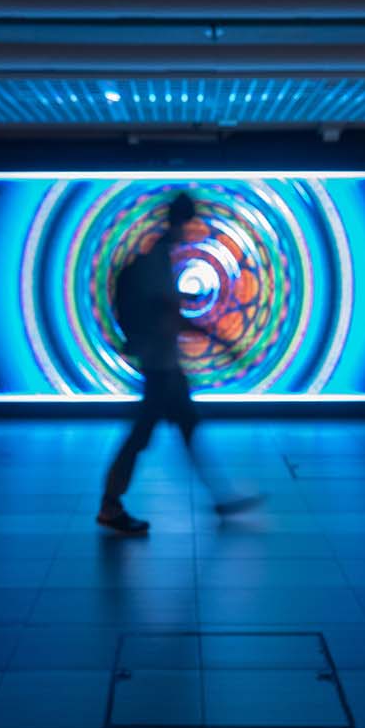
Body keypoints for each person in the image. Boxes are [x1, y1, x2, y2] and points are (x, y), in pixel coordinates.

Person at [97, 191, 260, 534]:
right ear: (181, 222)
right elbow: (168, 315)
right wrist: (221, 341)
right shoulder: (158, 261)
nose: (190, 231)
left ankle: (219, 498)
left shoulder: (160, 258)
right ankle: (110, 505)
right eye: (189, 223)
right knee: (141, 437)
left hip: (165, 364)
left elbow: (166, 310)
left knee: (185, 429)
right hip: (161, 367)